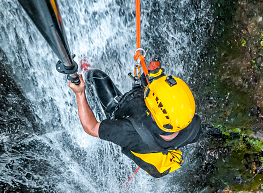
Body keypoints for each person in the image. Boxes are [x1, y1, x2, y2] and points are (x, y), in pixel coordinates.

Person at [68, 61, 201, 178]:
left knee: (97, 76)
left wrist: (79, 93)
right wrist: (156, 77)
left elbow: (90, 127)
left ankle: (85, 74)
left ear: (152, 114)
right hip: (153, 132)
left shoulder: (130, 133)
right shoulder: (191, 125)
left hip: (120, 111)